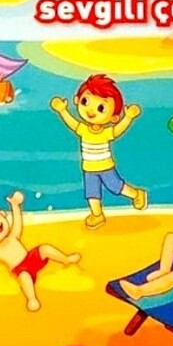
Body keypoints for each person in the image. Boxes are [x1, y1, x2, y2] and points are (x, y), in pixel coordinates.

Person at [50, 73, 147, 230]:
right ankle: (97, 215)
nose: (91, 111)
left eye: (101, 108)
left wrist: (128, 117)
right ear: (77, 100)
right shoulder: (83, 129)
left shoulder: (106, 132)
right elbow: (71, 122)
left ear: (114, 117)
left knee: (116, 187)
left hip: (106, 167)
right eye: (85, 101)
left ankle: (136, 194)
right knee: (92, 193)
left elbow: (118, 130)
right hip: (89, 168)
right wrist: (62, 111)